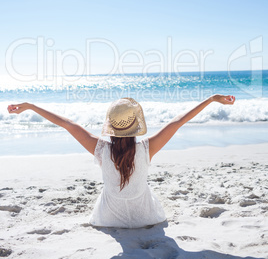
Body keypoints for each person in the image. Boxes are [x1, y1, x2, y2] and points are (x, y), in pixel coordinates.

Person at [7, 94, 235, 228]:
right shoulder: (146, 148)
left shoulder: (100, 149)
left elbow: (67, 124)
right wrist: (212, 99)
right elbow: (178, 122)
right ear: (136, 126)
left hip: (108, 219)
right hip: (147, 216)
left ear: (111, 127)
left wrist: (30, 106)